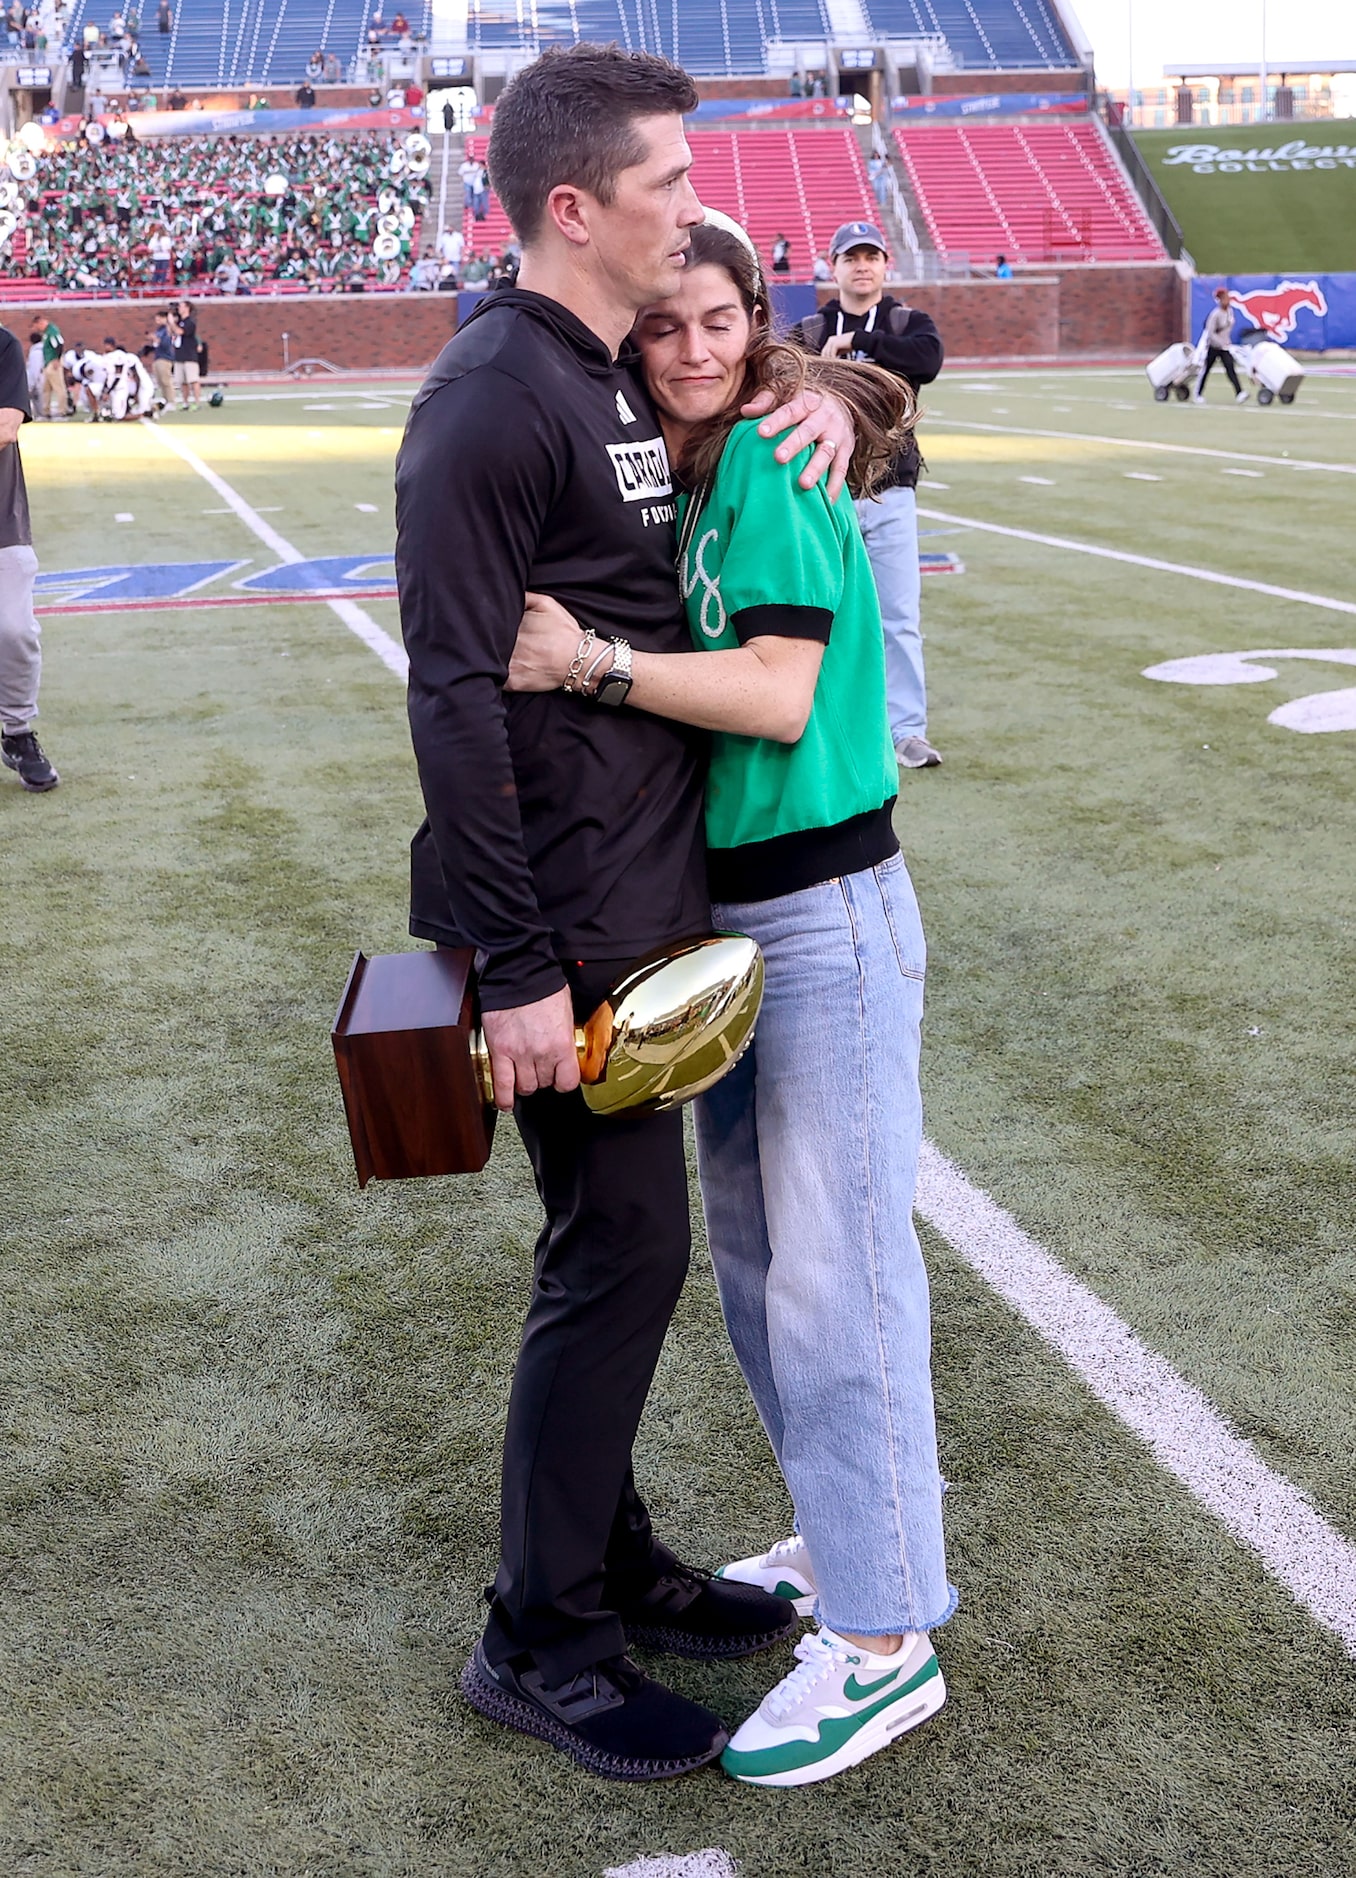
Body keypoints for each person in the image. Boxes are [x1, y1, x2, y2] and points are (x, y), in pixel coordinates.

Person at [394, 41, 857, 1786]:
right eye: (667, 179)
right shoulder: (490, 393)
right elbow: (452, 693)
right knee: (622, 1252)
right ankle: (541, 1634)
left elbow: (764, 410)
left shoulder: (592, 369)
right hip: (560, 927)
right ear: (575, 206)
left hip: (628, 897)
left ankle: (607, 1557)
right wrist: (514, 973)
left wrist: (844, 396)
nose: (694, 203)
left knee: (622, 1252)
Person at [507, 215, 954, 1789]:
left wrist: (595, 665)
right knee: (771, 1268)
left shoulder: (768, 447)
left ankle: (887, 1637)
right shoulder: (693, 460)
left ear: (754, 327)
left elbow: (773, 688)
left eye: (719, 324)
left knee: (837, 1274)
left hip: (826, 906)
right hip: (745, 919)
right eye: (662, 328)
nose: (691, 351)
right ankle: (850, 1545)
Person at [789, 220, 944, 770]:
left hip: (891, 488)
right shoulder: (810, 327)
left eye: (871, 256)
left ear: (885, 264)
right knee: (815, 614)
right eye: (850, 257)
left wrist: (861, 343)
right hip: (822, 490)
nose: (861, 265)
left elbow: (928, 360)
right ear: (832, 266)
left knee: (899, 616)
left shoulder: (906, 323)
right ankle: (821, 724)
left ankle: (906, 729)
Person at [0, 326, 60, 792]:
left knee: (15, 631)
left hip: (2, 520)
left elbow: (5, 426)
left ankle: (17, 732)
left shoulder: (2, 345)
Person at [1194, 286, 1247, 405]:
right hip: (1213, 347)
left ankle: (1239, 393)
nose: (1228, 300)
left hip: (1225, 347)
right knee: (1206, 370)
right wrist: (1220, 342)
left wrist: (1227, 342)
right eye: (1225, 298)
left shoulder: (1230, 312)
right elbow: (1210, 332)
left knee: (1230, 369)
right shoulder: (1215, 315)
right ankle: (1197, 394)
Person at [168, 298, 200, 407]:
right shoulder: (180, 321)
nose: (179, 308)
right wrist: (171, 322)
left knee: (193, 380)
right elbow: (172, 332)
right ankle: (185, 402)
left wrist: (172, 323)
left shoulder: (190, 322)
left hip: (189, 355)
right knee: (182, 382)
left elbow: (180, 332)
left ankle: (196, 402)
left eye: (181, 306)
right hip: (179, 355)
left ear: (187, 308)